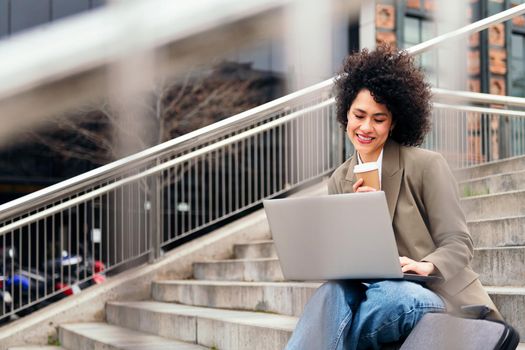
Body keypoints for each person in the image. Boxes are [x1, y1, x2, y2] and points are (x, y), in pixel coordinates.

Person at [285, 46, 502, 350]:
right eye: (359, 115)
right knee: (331, 292)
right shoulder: (340, 179)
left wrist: (426, 265)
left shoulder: (426, 165)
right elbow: (349, 259)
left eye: (379, 119)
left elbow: (459, 242)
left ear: (393, 123)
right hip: (373, 294)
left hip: (434, 292)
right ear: (345, 114)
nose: (366, 127)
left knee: (391, 297)